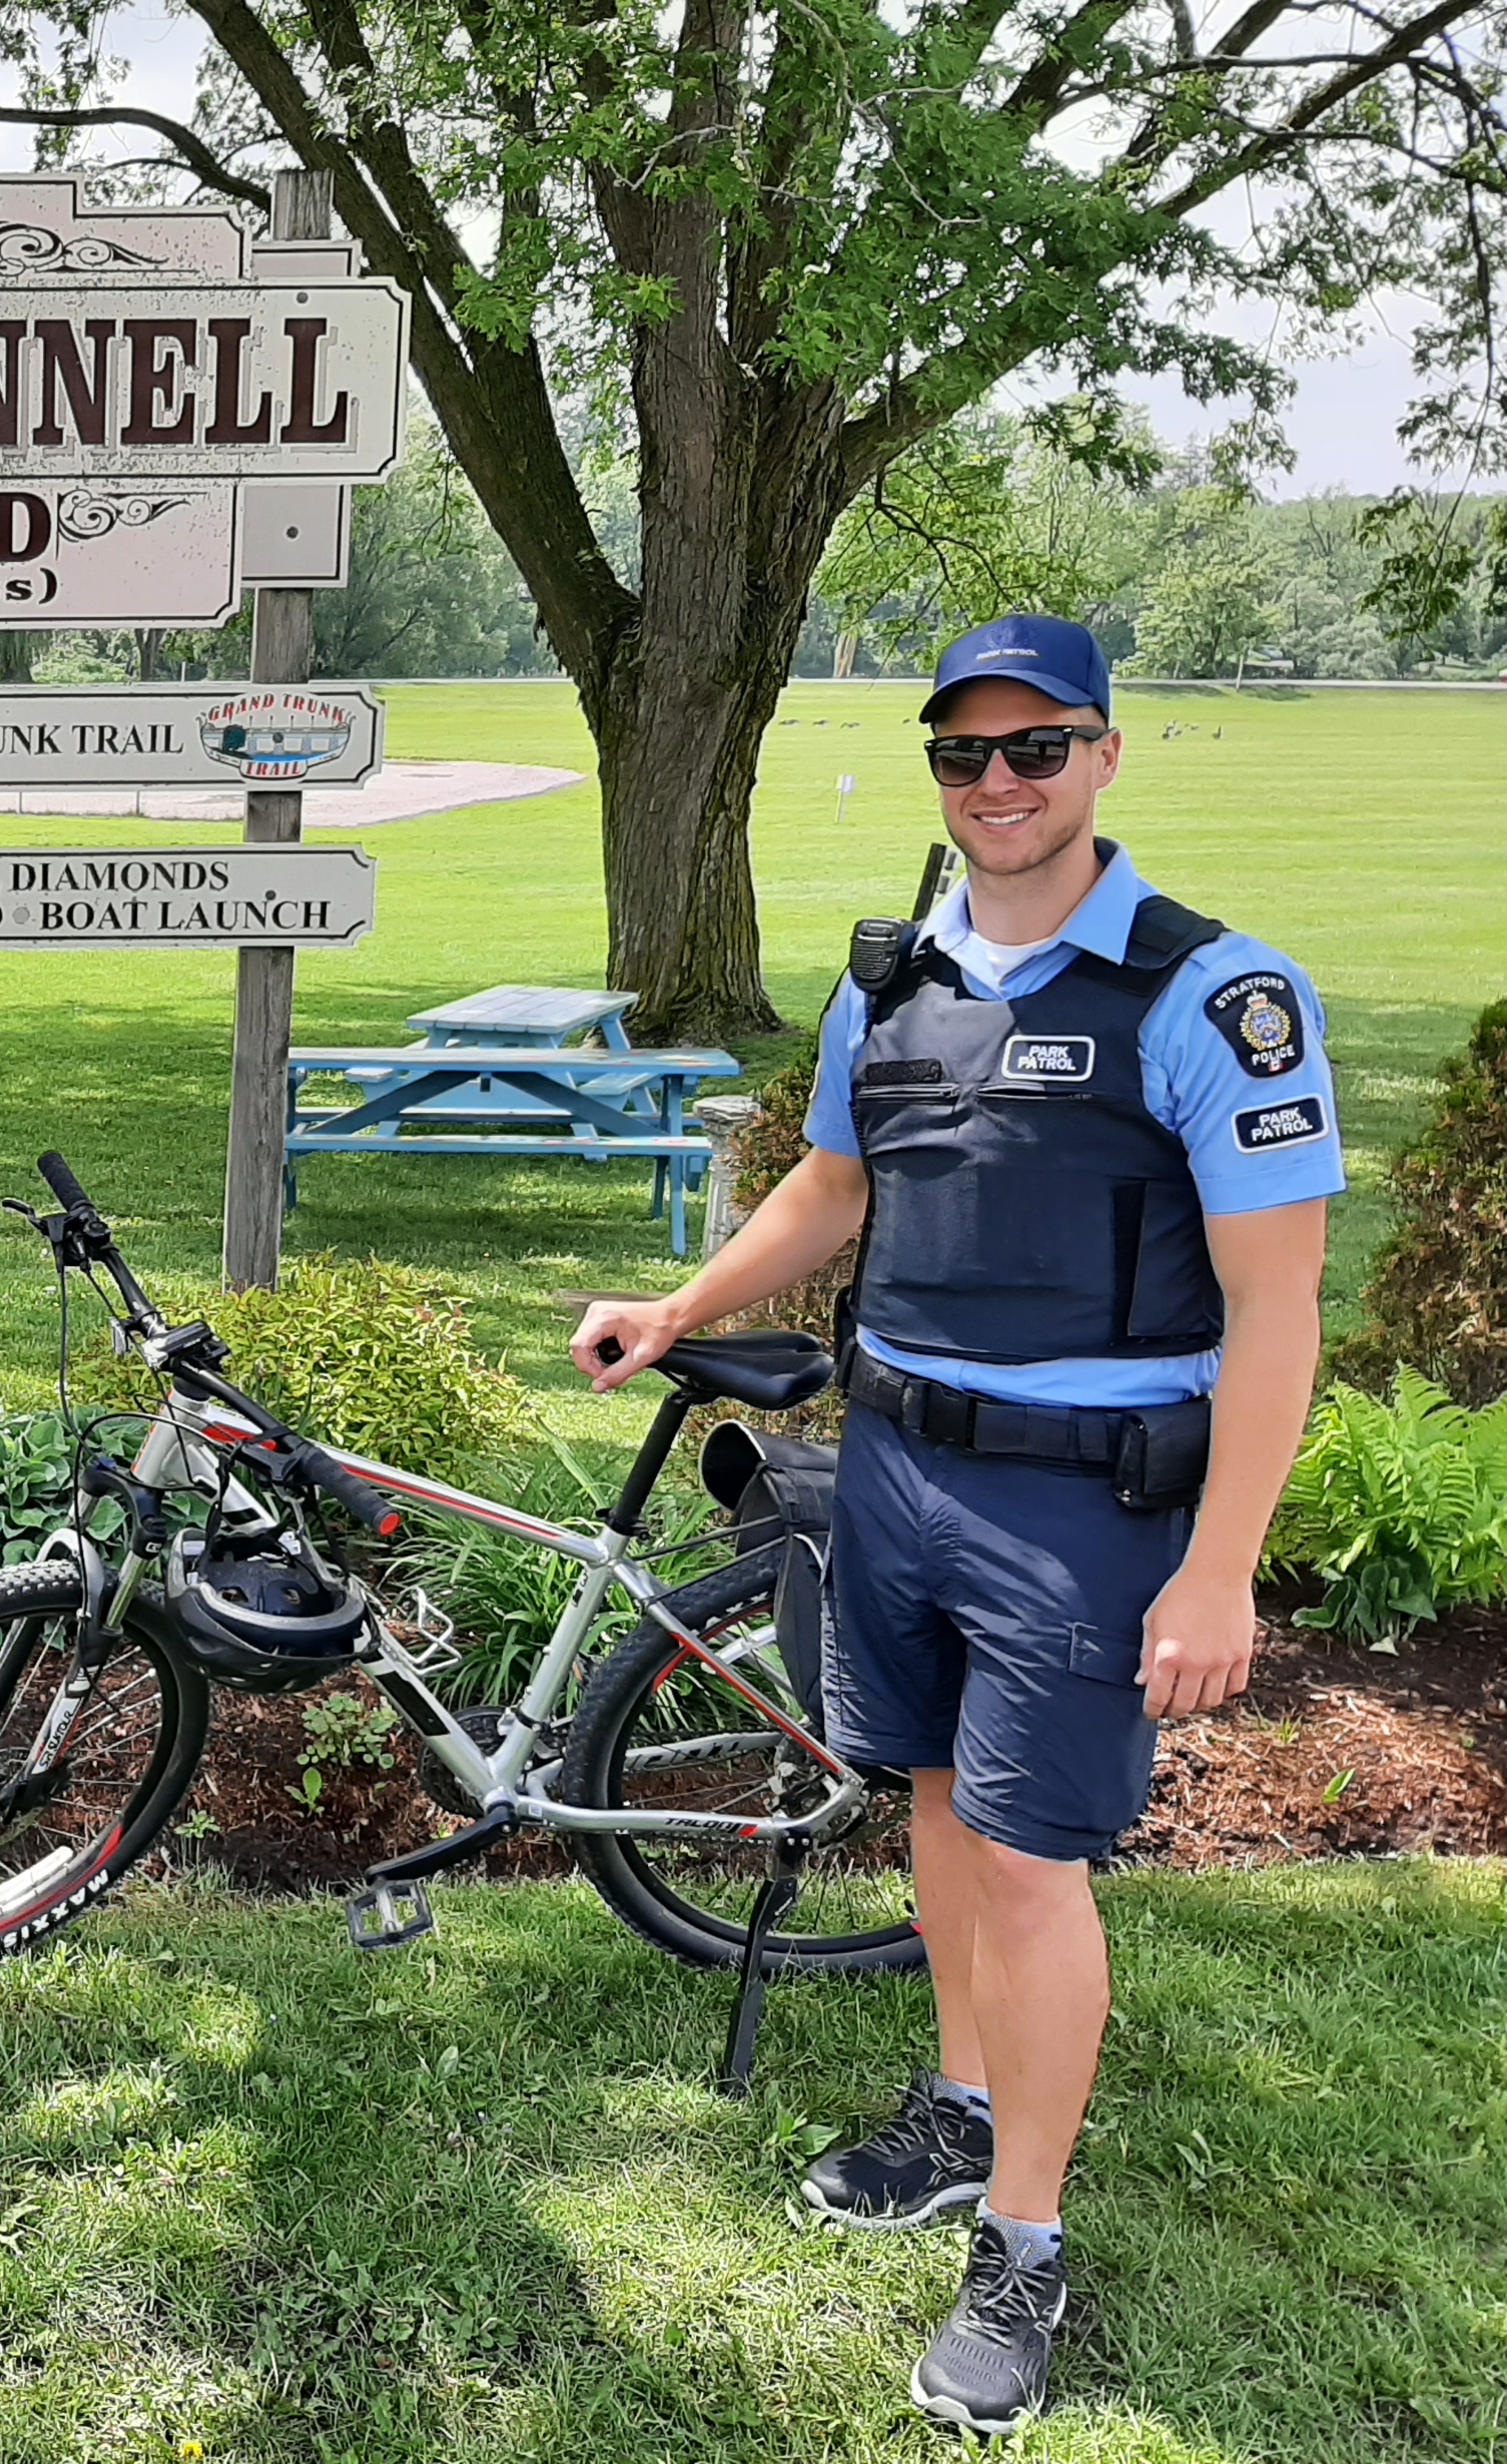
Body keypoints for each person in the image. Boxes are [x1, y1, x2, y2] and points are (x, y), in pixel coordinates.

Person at [571, 616, 1337, 2436]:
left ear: (1104, 759)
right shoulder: (890, 983)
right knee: (924, 1799)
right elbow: (834, 1186)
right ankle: (964, 2108)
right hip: (895, 1468)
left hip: (1083, 1507)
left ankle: (1026, 2243)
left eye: (1037, 748)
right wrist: (682, 1310)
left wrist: (1223, 1564)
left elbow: (1281, 1308)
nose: (998, 785)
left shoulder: (1211, 996)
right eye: (964, 756)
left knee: (1023, 1857)